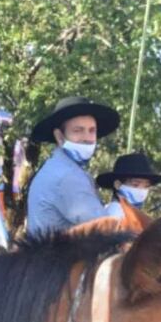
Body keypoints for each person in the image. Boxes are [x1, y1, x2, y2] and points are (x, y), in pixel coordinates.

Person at [26, 96, 120, 236]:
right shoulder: (68, 176)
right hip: (59, 257)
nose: (87, 138)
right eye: (78, 130)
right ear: (59, 136)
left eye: (92, 130)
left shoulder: (56, 167)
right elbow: (105, 228)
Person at [96, 152, 161, 218]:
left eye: (146, 186)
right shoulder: (115, 214)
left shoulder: (132, 214)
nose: (141, 190)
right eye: (135, 185)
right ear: (117, 184)